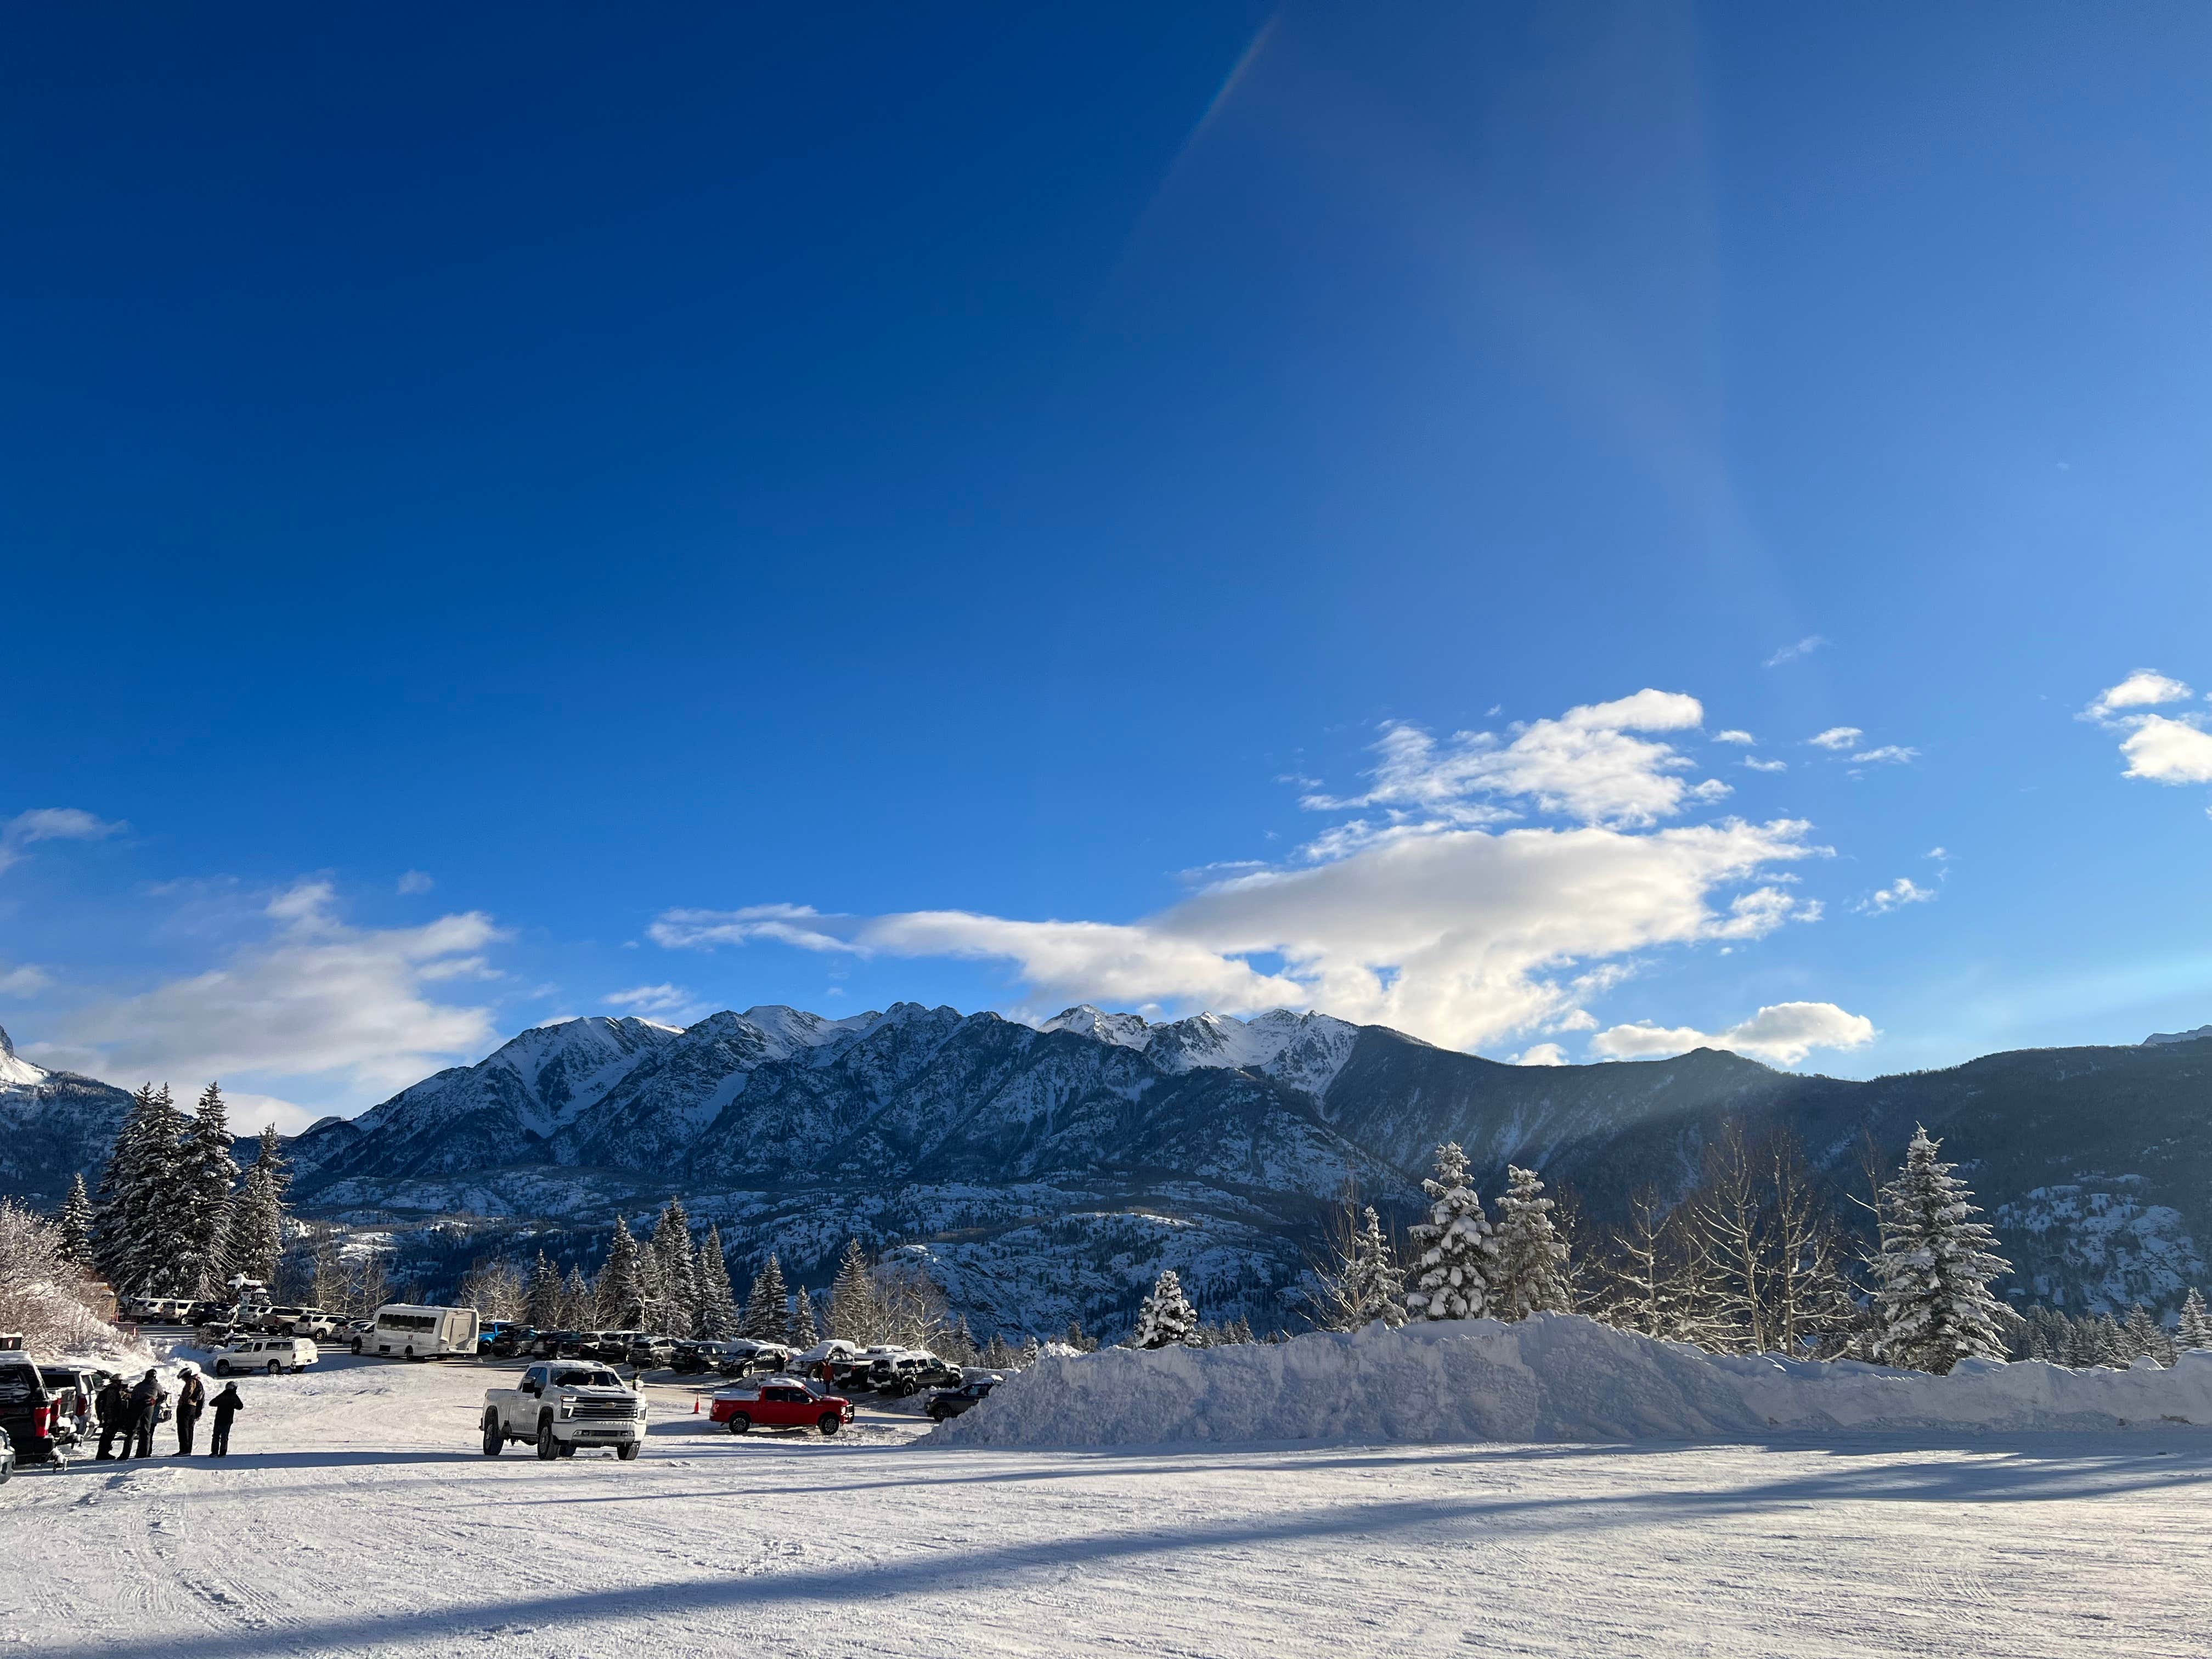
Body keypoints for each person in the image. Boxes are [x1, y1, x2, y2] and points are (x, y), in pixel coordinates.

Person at [128, 1369, 165, 1459]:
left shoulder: (139, 1385)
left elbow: (133, 1396)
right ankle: (144, 1453)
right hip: (149, 1409)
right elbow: (163, 1396)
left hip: (136, 1408)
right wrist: (155, 1402)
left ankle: (125, 1453)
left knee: (132, 1431)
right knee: (146, 1431)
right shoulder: (156, 1385)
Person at [95, 1374, 131, 1460]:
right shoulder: (112, 1391)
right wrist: (111, 1418)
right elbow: (110, 1406)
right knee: (107, 1435)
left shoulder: (113, 1390)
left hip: (110, 1417)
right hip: (110, 1417)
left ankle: (104, 1453)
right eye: (121, 1382)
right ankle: (103, 1454)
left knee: (109, 1435)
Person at [174, 1365, 206, 1456]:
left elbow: (189, 1393)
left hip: (187, 1407)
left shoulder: (191, 1381)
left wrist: (182, 1400)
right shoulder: (196, 1381)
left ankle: (184, 1450)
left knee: (183, 1428)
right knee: (189, 1428)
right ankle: (187, 1450)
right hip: (193, 1408)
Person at [208, 1381, 244, 1457]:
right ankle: (223, 1452)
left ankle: (214, 1452)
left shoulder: (222, 1395)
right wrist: (233, 1405)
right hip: (228, 1419)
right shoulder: (234, 1396)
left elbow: (212, 1403)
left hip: (219, 1418)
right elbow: (240, 1406)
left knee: (216, 1435)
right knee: (225, 1436)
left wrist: (221, 1403)